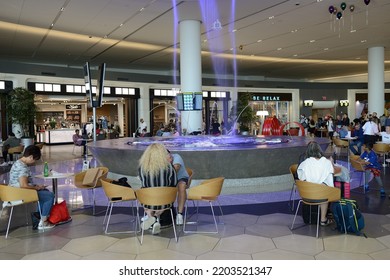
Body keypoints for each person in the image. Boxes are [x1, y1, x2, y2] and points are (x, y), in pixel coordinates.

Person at [8, 145, 55, 230]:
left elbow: (21, 184)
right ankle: (44, 222)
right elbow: (24, 185)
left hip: (12, 192)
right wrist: (37, 188)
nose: (33, 162)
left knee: (45, 192)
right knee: (50, 196)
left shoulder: (17, 162)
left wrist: (36, 186)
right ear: (30, 157)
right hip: (19, 194)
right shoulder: (23, 167)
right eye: (34, 160)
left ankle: (38, 220)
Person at [138, 143, 177, 234]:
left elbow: (143, 184)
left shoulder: (142, 168)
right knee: (169, 194)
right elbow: (174, 184)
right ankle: (156, 217)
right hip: (165, 202)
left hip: (148, 203)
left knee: (141, 193)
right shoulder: (169, 167)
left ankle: (151, 217)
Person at [297, 141, 339, 226]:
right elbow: (331, 178)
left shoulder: (304, 163)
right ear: (320, 150)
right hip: (321, 195)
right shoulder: (326, 162)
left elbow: (301, 178)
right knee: (325, 192)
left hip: (307, 195)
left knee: (320, 190)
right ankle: (323, 219)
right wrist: (331, 163)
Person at [168, 150, 189, 225]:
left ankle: (180, 214)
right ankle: (151, 212)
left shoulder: (176, 157)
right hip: (168, 179)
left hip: (180, 178)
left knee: (181, 187)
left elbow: (175, 169)